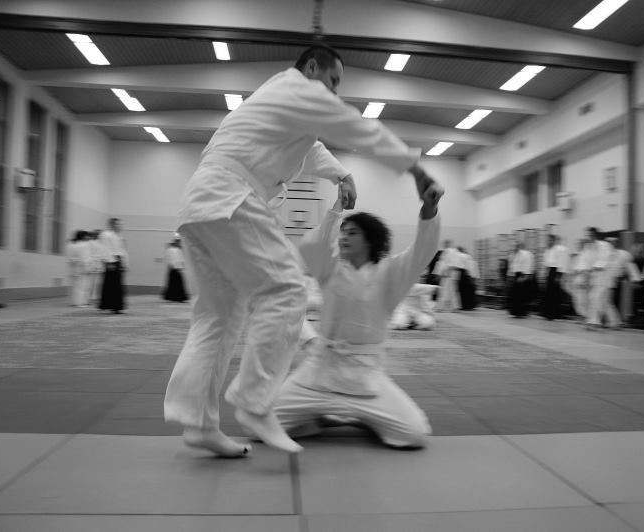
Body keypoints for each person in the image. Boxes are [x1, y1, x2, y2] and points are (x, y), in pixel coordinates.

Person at [163, 44, 439, 457]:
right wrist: (415, 168)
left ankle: (199, 423)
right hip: (231, 197)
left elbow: (311, 150)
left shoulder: (277, 104)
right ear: (311, 67)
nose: (334, 91)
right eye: (333, 80)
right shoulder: (295, 87)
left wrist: (340, 174)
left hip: (200, 203)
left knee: (218, 318)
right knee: (287, 290)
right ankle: (254, 402)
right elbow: (354, 126)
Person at [272, 177, 442, 449]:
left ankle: (364, 418)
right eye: (343, 232)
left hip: (365, 379)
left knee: (415, 433)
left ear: (370, 240)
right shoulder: (330, 268)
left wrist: (429, 210)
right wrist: (337, 208)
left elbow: (423, 251)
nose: (343, 237)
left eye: (352, 233)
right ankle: (321, 417)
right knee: (261, 423)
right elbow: (311, 246)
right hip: (319, 374)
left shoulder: (391, 273)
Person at [606, 237, 642, 323]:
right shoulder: (603, 255)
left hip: (614, 282)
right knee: (605, 301)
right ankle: (612, 321)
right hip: (603, 281)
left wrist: (635, 280)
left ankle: (615, 321)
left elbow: (631, 267)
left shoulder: (624, 254)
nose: (611, 244)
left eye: (613, 242)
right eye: (609, 243)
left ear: (617, 243)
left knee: (608, 301)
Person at [98, 218, 128, 314]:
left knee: (116, 285)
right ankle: (113, 306)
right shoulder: (106, 234)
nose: (120, 226)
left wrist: (124, 263)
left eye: (120, 224)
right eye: (117, 224)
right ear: (112, 225)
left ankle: (114, 306)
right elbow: (105, 249)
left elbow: (121, 250)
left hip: (118, 260)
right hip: (111, 261)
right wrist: (109, 262)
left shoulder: (118, 235)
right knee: (112, 285)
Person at [541, 234, 568, 320]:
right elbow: (546, 264)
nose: (549, 241)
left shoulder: (560, 249)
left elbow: (562, 262)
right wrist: (544, 274)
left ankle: (555, 314)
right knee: (548, 293)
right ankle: (548, 313)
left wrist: (559, 276)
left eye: (551, 240)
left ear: (554, 240)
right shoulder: (547, 250)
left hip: (556, 271)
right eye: (548, 240)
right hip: (550, 271)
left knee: (555, 294)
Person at [66, 230, 92, 307]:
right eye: (86, 235)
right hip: (81, 268)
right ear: (83, 237)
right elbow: (85, 258)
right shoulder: (84, 245)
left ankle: (73, 302)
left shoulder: (72, 245)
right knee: (82, 286)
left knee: (74, 286)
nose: (88, 237)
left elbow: (70, 257)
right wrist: (88, 268)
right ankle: (79, 303)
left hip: (74, 267)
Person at [508, 241, 534, 318]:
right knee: (516, 295)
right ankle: (516, 312)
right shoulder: (514, 255)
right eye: (513, 247)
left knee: (522, 295)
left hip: (522, 274)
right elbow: (513, 266)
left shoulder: (525, 254)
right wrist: (511, 275)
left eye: (515, 246)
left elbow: (527, 265)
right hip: (516, 275)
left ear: (518, 246)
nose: (514, 248)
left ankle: (522, 312)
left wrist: (524, 276)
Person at [434, 240, 461, 311]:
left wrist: (439, 274)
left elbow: (443, 263)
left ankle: (440, 307)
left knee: (443, 291)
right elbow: (456, 264)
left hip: (446, 274)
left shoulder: (447, 251)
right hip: (452, 274)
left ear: (447, 244)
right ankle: (454, 307)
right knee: (453, 291)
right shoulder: (455, 251)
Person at [162, 236, 189, 303]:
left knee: (176, 283)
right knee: (175, 283)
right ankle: (176, 297)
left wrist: (181, 266)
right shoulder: (171, 250)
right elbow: (172, 259)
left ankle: (176, 297)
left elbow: (181, 259)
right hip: (174, 268)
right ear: (176, 242)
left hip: (176, 268)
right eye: (178, 242)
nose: (179, 244)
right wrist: (176, 266)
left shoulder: (178, 249)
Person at [456, 246, 478, 310]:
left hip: (465, 275)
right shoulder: (469, 257)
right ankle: (469, 305)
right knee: (468, 292)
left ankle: (465, 305)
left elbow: (465, 267)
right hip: (468, 275)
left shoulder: (463, 256)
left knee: (464, 291)